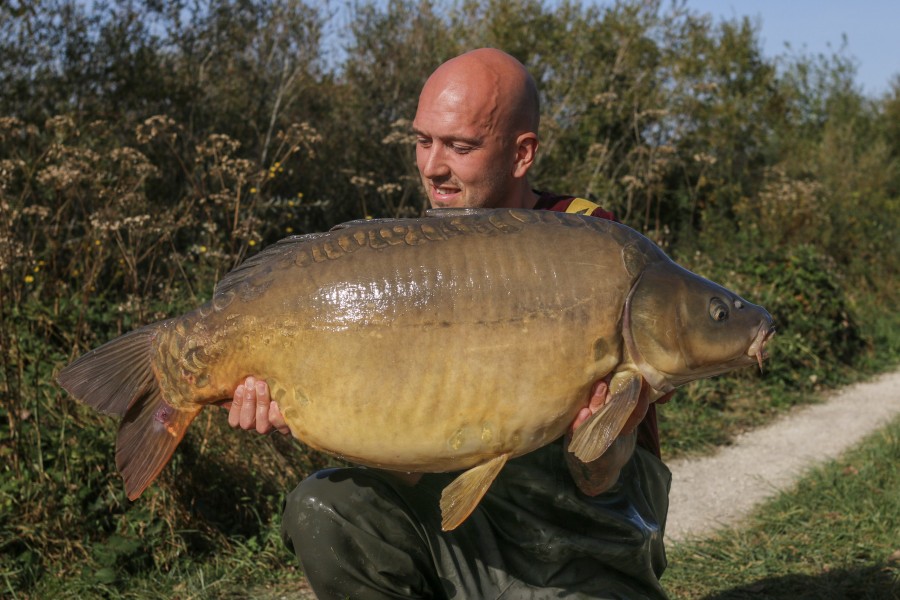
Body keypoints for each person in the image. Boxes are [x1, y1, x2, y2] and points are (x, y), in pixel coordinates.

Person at [224, 48, 672, 599]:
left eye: (460, 147)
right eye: (422, 140)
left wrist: (598, 441)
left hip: (584, 531)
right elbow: (412, 463)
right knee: (326, 507)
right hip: (463, 518)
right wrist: (315, 409)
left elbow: (601, 478)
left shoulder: (590, 243)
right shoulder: (417, 259)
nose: (433, 166)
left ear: (521, 153)